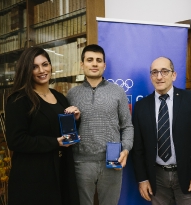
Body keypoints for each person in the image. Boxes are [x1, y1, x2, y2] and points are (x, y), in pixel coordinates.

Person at [5, 47, 80, 205]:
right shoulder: (18, 100)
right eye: (34, 67)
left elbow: (61, 130)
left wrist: (74, 120)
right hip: (34, 177)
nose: (41, 70)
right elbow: (16, 140)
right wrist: (55, 142)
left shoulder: (60, 97)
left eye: (45, 64)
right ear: (27, 70)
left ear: (51, 66)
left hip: (61, 171)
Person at [132, 57, 191, 205]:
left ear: (173, 75)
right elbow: (138, 147)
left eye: (164, 71)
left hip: (188, 176)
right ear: (151, 77)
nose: (159, 76)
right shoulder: (141, 106)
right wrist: (142, 179)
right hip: (157, 178)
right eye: (154, 72)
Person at [66, 44, 133, 205]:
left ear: (104, 65)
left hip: (112, 161)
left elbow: (127, 126)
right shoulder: (72, 94)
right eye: (90, 60)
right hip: (81, 163)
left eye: (98, 60)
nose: (94, 64)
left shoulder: (118, 92)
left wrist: (126, 148)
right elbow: (67, 130)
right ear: (82, 64)